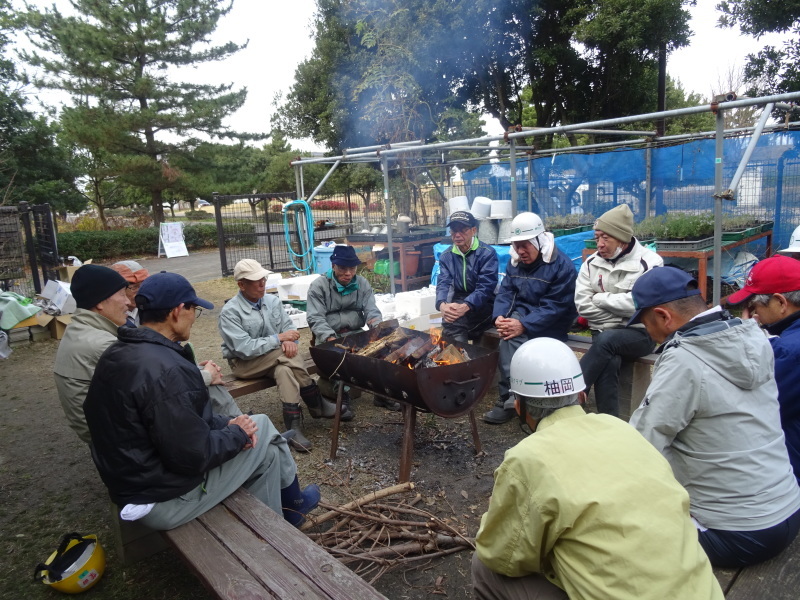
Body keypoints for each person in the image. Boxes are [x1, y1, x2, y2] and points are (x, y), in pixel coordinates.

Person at [472, 337, 723, 600]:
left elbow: (500, 557)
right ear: (581, 395)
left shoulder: (527, 459)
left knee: (485, 567)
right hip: (702, 591)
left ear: (520, 406)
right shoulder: (623, 429)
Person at [83, 272, 320, 530]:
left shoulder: (120, 352)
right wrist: (238, 433)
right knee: (261, 426)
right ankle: (283, 524)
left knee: (269, 448)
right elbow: (193, 456)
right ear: (177, 311)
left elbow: (183, 423)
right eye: (193, 309)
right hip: (163, 498)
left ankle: (283, 520)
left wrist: (230, 422)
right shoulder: (166, 370)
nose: (194, 319)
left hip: (137, 482)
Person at [628, 266, 800, 568]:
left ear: (663, 317)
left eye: (645, 323)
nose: (647, 332)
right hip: (788, 508)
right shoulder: (755, 336)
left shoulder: (685, 358)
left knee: (619, 527)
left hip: (736, 534)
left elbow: (642, 444)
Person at [219, 259, 335, 452]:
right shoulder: (230, 312)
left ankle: (293, 428)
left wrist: (289, 340)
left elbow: (289, 328)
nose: (262, 283)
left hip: (276, 359)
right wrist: (279, 339)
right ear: (241, 285)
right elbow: (244, 348)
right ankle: (316, 402)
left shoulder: (272, 301)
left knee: (284, 370)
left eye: (263, 278)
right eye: (255, 280)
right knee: (285, 354)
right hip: (246, 364)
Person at [112, 261, 242, 418]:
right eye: (132, 287)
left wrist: (189, 366)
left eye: (143, 285)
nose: (140, 292)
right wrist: (204, 376)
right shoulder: (115, 325)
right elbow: (155, 385)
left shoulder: (148, 311)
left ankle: (238, 425)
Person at [484, 212, 577, 424]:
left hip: (553, 323)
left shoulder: (561, 266)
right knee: (507, 329)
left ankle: (511, 397)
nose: (520, 251)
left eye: (525, 245)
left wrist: (524, 325)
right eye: (516, 245)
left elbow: (556, 307)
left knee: (511, 336)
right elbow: (506, 292)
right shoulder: (515, 262)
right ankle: (520, 398)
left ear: (539, 240)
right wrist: (499, 316)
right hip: (524, 316)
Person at [574, 203, 662, 417]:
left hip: (640, 333)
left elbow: (640, 306)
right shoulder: (590, 263)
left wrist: (601, 298)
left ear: (622, 238)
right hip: (602, 332)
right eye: (597, 238)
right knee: (608, 356)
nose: (600, 244)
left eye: (606, 238)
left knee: (606, 342)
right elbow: (582, 305)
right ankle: (610, 422)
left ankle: (572, 396)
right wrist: (620, 307)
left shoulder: (649, 263)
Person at [726, 255, 800, 483]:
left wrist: (749, 340)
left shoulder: (788, 351)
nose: (753, 315)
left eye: (754, 307)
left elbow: (758, 410)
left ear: (780, 303)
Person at [306, 245, 398, 413]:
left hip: (356, 334)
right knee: (340, 358)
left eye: (352, 268)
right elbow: (315, 318)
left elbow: (371, 310)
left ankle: (382, 394)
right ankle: (343, 398)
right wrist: (329, 338)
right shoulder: (318, 286)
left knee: (381, 352)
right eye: (342, 268)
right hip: (330, 337)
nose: (348, 273)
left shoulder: (362, 283)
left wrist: (377, 327)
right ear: (333, 266)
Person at [53, 265, 130, 443]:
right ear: (100, 302)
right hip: (116, 441)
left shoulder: (79, 329)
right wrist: (202, 376)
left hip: (100, 434)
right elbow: (155, 386)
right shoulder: (103, 345)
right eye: (122, 294)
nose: (128, 302)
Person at [435, 210, 499, 344]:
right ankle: (458, 360)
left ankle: (460, 358)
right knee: (450, 318)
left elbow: (485, 287)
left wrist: (466, 306)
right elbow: (443, 283)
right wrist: (442, 305)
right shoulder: (446, 256)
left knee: (455, 323)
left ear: (473, 230)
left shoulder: (486, 253)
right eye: (454, 230)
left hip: (484, 302)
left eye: (463, 230)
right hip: (459, 300)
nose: (457, 235)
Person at [110, 260, 149, 327]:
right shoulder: (109, 316)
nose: (140, 291)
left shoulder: (151, 309)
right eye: (134, 287)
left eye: (143, 285)